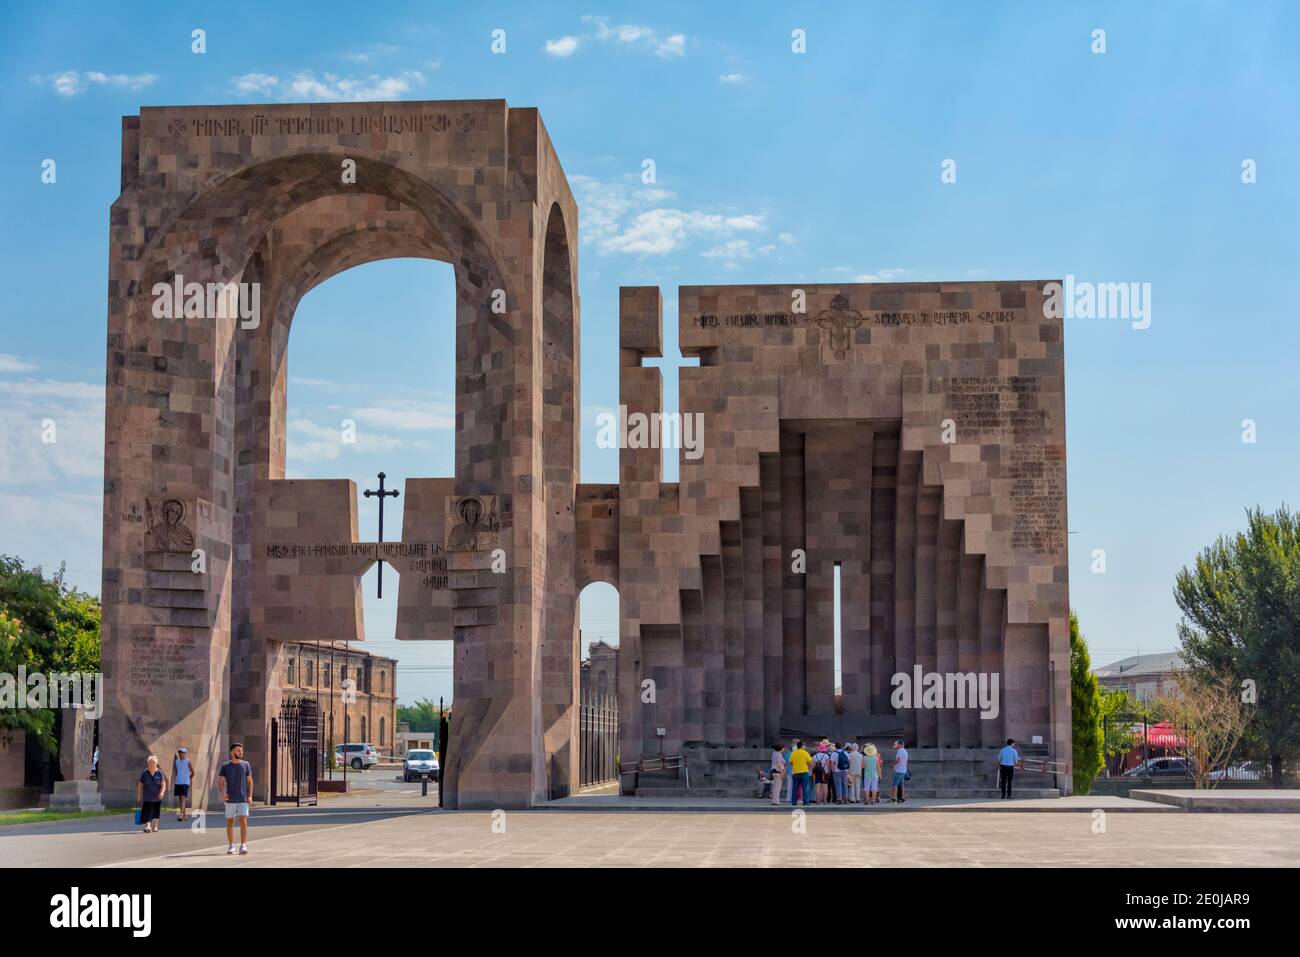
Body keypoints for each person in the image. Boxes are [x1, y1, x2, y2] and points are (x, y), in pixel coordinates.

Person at [218, 742, 254, 855]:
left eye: (242, 751)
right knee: (230, 822)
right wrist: (223, 793)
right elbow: (221, 782)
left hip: (243, 799)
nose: (241, 752)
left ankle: (243, 845)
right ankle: (231, 845)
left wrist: (250, 795)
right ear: (232, 752)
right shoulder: (225, 766)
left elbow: (250, 781)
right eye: (238, 750)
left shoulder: (246, 764)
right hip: (230, 799)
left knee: (243, 820)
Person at [136, 754, 167, 833]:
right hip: (147, 797)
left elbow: (163, 784)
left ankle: (155, 825)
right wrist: (139, 796)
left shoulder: (159, 773)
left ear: (156, 764)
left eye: (152, 763)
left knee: (156, 811)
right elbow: (140, 785)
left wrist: (162, 792)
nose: (151, 764)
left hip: (157, 797)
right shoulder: (145, 773)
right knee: (147, 811)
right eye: (149, 763)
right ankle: (148, 826)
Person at [787, 739, 812, 807]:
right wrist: (808, 767)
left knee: (795, 787)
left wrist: (796, 765)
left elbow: (790, 762)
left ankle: (794, 802)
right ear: (802, 746)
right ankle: (806, 801)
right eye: (804, 745)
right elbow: (810, 762)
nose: (805, 746)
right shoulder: (805, 753)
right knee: (805, 787)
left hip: (796, 773)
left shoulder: (793, 753)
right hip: (804, 772)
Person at [173, 746, 194, 821]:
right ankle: (185, 815)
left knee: (183, 798)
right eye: (180, 752)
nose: (180, 753)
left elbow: (193, 772)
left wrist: (188, 778)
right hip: (178, 782)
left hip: (185, 782)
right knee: (180, 799)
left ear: (185, 753)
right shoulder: (177, 761)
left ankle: (181, 814)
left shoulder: (188, 761)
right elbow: (177, 771)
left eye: (182, 752)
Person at [890, 739, 909, 803]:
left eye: (897, 744)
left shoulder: (899, 751)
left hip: (898, 770)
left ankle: (894, 798)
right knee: (901, 785)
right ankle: (902, 798)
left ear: (900, 744)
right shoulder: (905, 751)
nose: (896, 746)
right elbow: (906, 762)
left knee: (895, 785)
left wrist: (892, 764)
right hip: (903, 770)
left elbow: (898, 760)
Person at [770, 742, 786, 807]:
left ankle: (774, 800)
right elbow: (779, 764)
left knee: (775, 786)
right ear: (781, 748)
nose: (784, 748)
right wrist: (782, 772)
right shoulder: (778, 754)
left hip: (774, 771)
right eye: (783, 747)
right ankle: (776, 801)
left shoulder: (774, 753)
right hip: (778, 771)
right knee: (778, 787)